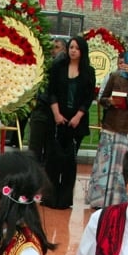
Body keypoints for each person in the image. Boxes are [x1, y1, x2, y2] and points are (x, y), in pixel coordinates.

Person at [86, 48, 128, 209]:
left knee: (124, 168)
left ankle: (121, 203)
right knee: (105, 166)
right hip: (112, 126)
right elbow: (102, 99)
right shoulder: (115, 76)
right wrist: (110, 102)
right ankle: (100, 200)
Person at [44, 35, 96, 209]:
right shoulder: (58, 67)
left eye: (77, 48)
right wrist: (57, 114)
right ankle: (49, 197)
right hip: (57, 118)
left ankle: (64, 200)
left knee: (69, 162)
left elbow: (88, 98)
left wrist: (78, 116)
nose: (73, 50)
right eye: (71, 47)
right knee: (53, 160)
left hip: (76, 122)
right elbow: (51, 91)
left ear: (82, 51)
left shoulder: (89, 71)